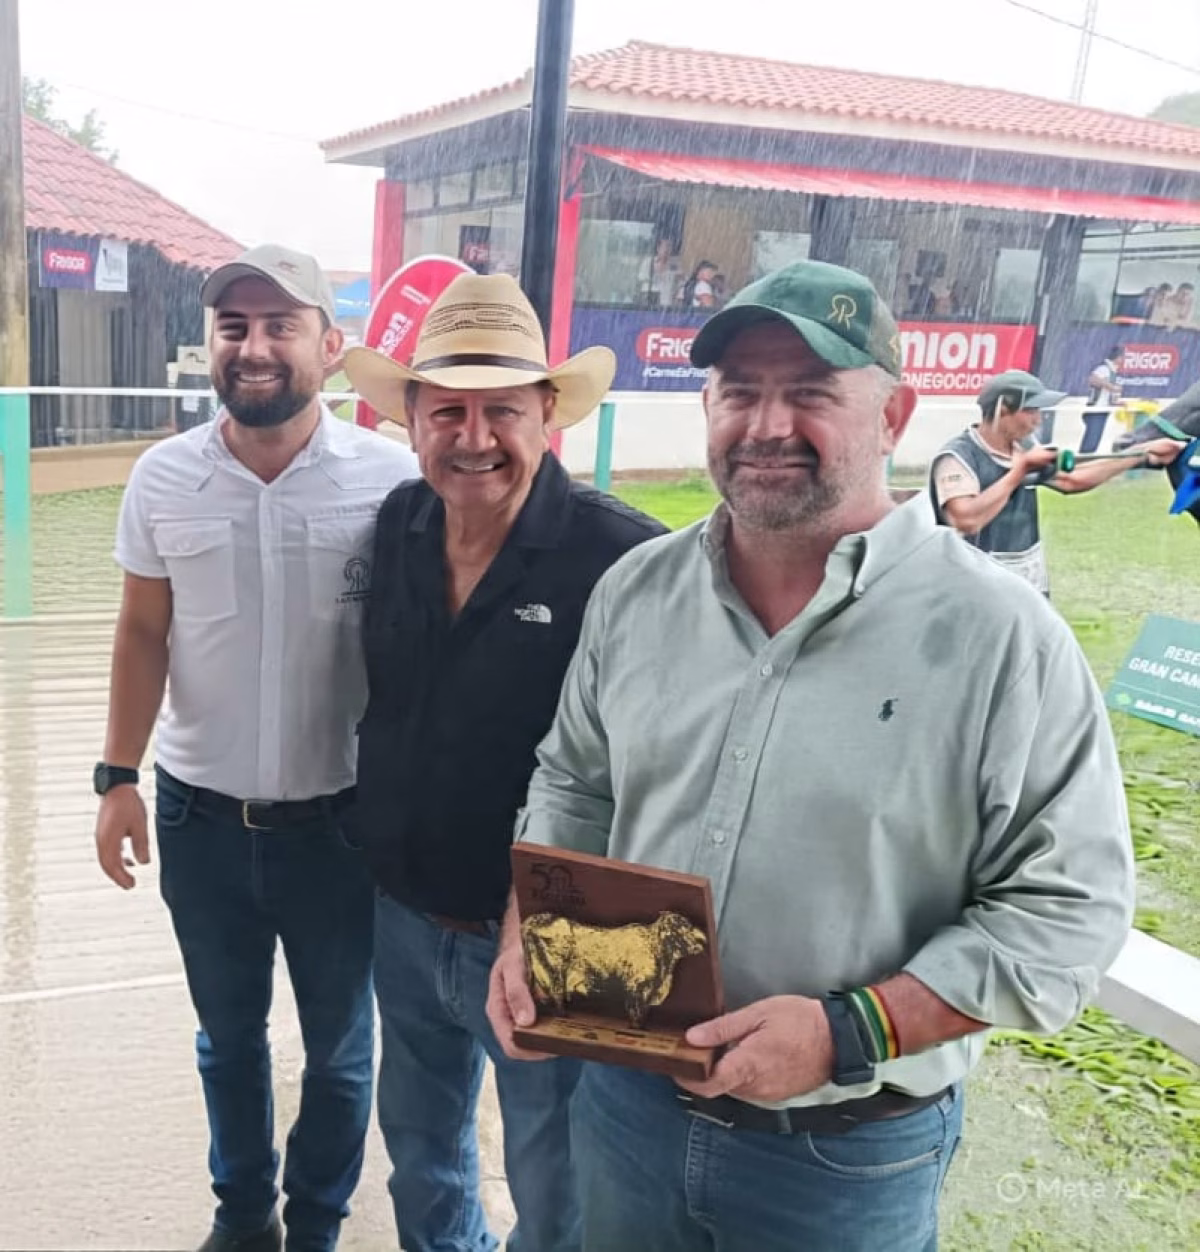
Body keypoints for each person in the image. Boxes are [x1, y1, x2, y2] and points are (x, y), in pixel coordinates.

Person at [485, 259, 1137, 1252]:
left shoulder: (1001, 637)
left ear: (895, 414)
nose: (767, 424)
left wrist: (848, 1031)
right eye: (739, 391)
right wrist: (527, 925)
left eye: (812, 392)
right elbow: (578, 776)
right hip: (626, 1115)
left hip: (842, 1161)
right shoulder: (638, 592)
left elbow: (1069, 912)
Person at [92, 244, 419, 1252]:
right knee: (228, 1041)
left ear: (331, 343)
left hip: (344, 828)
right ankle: (243, 1218)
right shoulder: (163, 479)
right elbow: (143, 633)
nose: (255, 345)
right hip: (202, 822)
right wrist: (116, 779)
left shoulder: (394, 479)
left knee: (340, 1050)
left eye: (281, 325)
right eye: (235, 326)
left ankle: (315, 1223)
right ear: (210, 346)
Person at [342, 272, 666, 1252]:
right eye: (448, 409)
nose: (473, 437)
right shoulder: (396, 530)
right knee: (422, 1157)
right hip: (403, 920)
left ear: (548, 416)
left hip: (565, 937)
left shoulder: (622, 558)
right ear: (410, 418)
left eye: (501, 411)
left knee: (561, 1184)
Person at [930, 368, 1182, 595]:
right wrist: (1019, 471)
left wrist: (1140, 453)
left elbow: (1072, 480)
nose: (1038, 420)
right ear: (1002, 409)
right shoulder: (958, 457)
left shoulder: (1023, 446)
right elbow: (966, 520)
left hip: (1027, 584)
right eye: (1030, 410)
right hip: (974, 588)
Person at [1082, 344, 1124, 453]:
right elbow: (1092, 379)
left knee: (1095, 440)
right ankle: (1083, 461)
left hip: (1103, 409)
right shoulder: (1104, 368)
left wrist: (1116, 403)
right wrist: (1111, 387)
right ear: (1118, 357)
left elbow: (1108, 394)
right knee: (1091, 440)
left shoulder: (1113, 371)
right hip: (1096, 409)